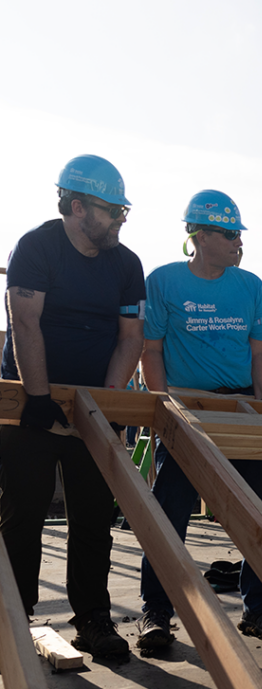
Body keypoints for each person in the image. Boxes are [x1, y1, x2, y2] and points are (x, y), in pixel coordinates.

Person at [0, 154, 144, 659]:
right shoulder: (37, 247)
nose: (121, 221)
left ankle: (93, 619)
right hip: (29, 402)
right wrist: (38, 397)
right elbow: (26, 322)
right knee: (23, 517)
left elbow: (130, 337)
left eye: (124, 212)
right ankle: (13, 625)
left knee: (91, 520)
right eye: (114, 212)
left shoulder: (125, 264)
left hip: (89, 406)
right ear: (78, 207)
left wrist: (102, 406)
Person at [136, 190, 262, 651]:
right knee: (170, 514)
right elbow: (151, 349)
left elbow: (260, 350)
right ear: (199, 235)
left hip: (242, 408)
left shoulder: (249, 285)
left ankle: (258, 611)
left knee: (260, 515)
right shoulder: (163, 282)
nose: (237, 242)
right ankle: (157, 613)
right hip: (187, 410)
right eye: (228, 233)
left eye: (239, 234)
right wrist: (162, 407)